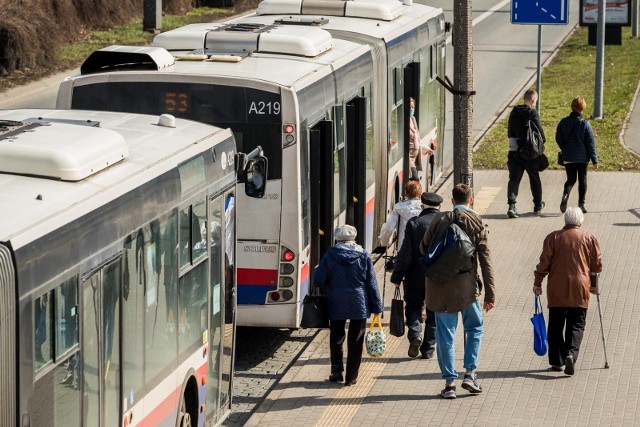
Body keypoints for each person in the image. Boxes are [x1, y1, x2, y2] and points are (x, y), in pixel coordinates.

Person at [420, 184, 496, 399]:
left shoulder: (439, 219)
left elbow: (423, 249)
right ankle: (470, 374)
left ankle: (449, 384)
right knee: (474, 328)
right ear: (470, 200)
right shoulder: (477, 222)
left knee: (445, 334)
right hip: (467, 290)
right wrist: (490, 294)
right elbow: (486, 261)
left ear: (452, 201)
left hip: (439, 288)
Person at [532, 206, 602, 375]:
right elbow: (596, 265)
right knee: (576, 324)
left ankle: (557, 361)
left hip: (557, 288)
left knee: (556, 325)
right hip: (580, 287)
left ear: (565, 220)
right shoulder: (589, 238)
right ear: (580, 221)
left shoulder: (553, 237)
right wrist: (594, 284)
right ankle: (571, 353)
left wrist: (538, 282)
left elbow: (544, 263)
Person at [314, 224, 384, 386]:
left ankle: (336, 372)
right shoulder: (364, 255)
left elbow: (319, 281)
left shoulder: (330, 255)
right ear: (354, 238)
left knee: (336, 337)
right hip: (359, 302)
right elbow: (371, 283)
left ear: (337, 239)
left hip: (336, 301)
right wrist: (377, 307)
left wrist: (318, 270)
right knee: (356, 340)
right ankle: (351, 377)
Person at [390, 191, 443, 359]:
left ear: (422, 206)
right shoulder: (447, 224)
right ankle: (428, 349)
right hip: (438, 277)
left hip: (415, 275)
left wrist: (397, 276)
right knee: (434, 311)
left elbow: (405, 254)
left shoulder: (414, 224)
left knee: (413, 306)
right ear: (440, 207)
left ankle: (415, 334)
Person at [506, 89, 547, 218]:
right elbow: (539, 132)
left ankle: (512, 205)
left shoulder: (514, 112)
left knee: (514, 179)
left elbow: (509, 131)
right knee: (534, 178)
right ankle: (538, 205)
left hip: (514, 151)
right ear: (533, 99)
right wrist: (542, 143)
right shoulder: (532, 113)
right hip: (530, 152)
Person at [556, 96, 598, 214]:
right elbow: (590, 143)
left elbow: (558, 138)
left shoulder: (563, 122)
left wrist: (565, 148)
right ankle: (581, 204)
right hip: (583, 158)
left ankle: (565, 197)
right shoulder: (585, 124)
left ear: (572, 107)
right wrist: (594, 160)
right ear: (582, 108)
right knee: (582, 179)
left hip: (568, 157)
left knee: (571, 179)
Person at [379, 179, 423, 252]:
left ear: (406, 192)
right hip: (421, 250)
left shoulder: (399, 208)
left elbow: (388, 228)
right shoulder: (424, 208)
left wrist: (384, 242)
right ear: (419, 192)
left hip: (403, 250)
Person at [408, 97, 434, 181]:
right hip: (408, 159)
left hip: (414, 158)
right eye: (409, 107)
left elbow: (418, 139)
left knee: (414, 181)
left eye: (413, 107)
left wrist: (426, 149)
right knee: (416, 180)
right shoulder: (403, 121)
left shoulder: (412, 119)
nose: (411, 109)